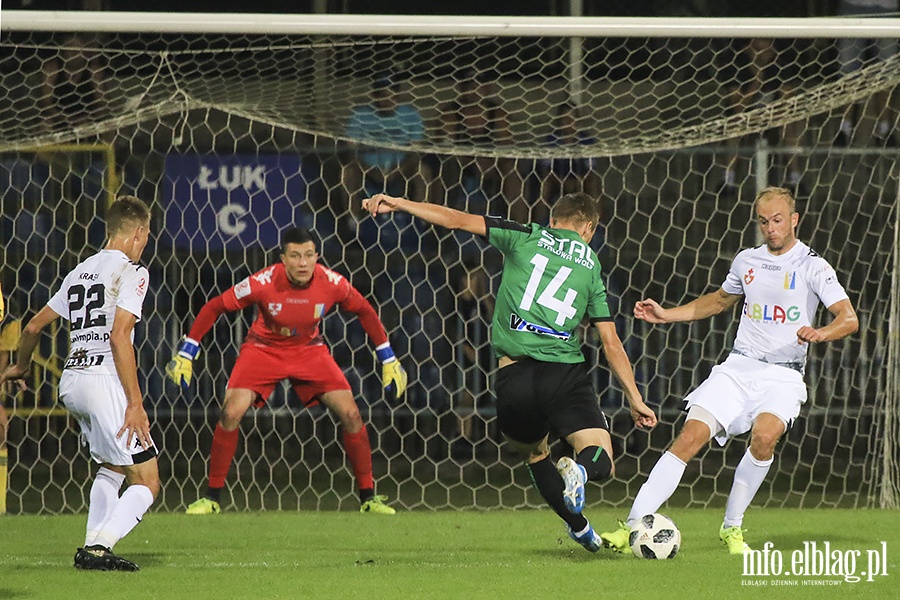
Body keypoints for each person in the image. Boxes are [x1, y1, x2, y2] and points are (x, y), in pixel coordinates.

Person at [362, 191, 657, 552]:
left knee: (535, 454)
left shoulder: (526, 234)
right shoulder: (592, 266)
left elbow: (456, 218)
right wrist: (635, 398)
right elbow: (611, 343)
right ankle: (580, 471)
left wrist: (401, 204)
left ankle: (580, 528)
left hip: (513, 377)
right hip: (562, 373)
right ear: (589, 228)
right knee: (598, 453)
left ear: (553, 220)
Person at [601, 186, 859, 555]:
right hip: (738, 367)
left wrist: (821, 332)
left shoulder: (812, 266)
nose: (770, 228)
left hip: (784, 375)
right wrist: (667, 314)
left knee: (765, 436)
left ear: (794, 220)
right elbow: (720, 301)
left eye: (778, 220)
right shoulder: (747, 261)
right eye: (764, 221)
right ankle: (632, 529)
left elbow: (849, 319)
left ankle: (732, 529)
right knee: (689, 437)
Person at [166, 227, 406, 516]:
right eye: (295, 256)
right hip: (263, 349)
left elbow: (365, 310)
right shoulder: (263, 282)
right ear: (283, 259)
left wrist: (388, 358)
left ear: (317, 256)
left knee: (352, 414)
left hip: (310, 351)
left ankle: (369, 498)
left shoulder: (333, 283)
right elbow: (215, 306)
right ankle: (211, 499)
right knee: (230, 413)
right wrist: (188, 351)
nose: (303, 263)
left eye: (308, 255)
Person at [0, 196, 159, 571]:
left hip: (73, 381)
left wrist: (21, 367)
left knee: (112, 465)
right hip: (105, 381)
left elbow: (34, 326)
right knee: (148, 480)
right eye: (147, 235)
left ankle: (92, 545)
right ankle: (101, 546)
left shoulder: (80, 272)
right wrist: (135, 402)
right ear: (138, 232)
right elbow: (120, 336)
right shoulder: (133, 272)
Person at [340, 74, 433, 232]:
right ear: (374, 96)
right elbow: (350, 152)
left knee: (423, 171)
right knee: (347, 172)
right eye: (382, 95)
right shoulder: (360, 115)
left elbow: (416, 152)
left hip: (402, 170)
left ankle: (422, 224)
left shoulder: (410, 115)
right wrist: (368, 169)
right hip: (368, 170)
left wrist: (399, 170)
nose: (388, 100)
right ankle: (352, 223)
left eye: (393, 95)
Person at [718, 38, 805, 197]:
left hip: (774, 115)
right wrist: (757, 78)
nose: (765, 53)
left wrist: (773, 115)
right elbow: (737, 107)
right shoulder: (736, 65)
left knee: (789, 125)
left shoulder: (781, 63)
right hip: (744, 117)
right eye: (759, 48)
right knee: (733, 127)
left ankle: (795, 180)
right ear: (747, 48)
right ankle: (728, 181)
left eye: (768, 48)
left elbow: (787, 102)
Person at [835, 0, 897, 146]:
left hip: (887, 8)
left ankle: (884, 129)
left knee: (886, 72)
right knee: (848, 72)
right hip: (852, 8)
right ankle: (845, 128)